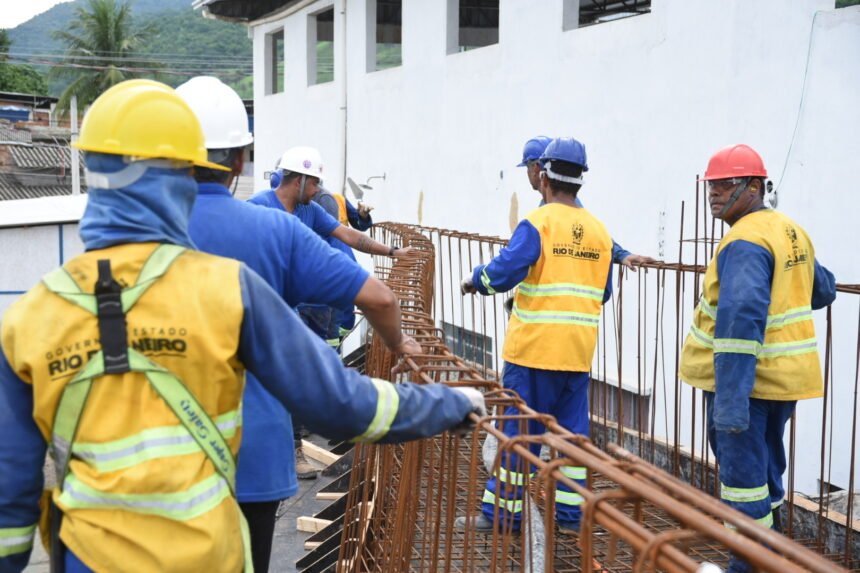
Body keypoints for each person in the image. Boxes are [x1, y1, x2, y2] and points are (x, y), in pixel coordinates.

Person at [0, 79, 485, 573]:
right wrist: (450, 403)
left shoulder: (31, 317)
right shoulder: (227, 288)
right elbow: (342, 404)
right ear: (190, 170)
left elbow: (9, 488)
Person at [176, 77, 421, 570]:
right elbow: (376, 295)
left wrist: (392, 250)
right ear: (243, 162)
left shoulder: (149, 230)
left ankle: (298, 444)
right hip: (253, 440)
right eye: (316, 182)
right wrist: (400, 341)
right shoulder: (268, 221)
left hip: (171, 452)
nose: (322, 191)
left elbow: (347, 234)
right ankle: (297, 446)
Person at [679, 144, 835, 573]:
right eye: (711, 184)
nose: (714, 192)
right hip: (782, 381)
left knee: (744, 483)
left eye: (725, 183)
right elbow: (823, 289)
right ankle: (773, 554)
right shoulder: (789, 230)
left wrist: (730, 404)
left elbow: (738, 328)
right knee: (767, 472)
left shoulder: (745, 242)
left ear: (753, 187)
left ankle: (748, 565)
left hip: (746, 385)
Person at [458, 137, 614, 533]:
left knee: (518, 437)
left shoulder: (538, 223)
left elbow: (505, 271)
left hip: (532, 355)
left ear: (544, 177)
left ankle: (500, 517)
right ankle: (570, 516)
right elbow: (604, 291)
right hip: (577, 356)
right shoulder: (600, 232)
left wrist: (476, 280)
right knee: (572, 441)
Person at [518, 135, 653, 270]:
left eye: (527, 167)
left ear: (535, 168)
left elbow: (589, 234)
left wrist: (622, 254)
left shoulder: (546, 214)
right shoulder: (558, 204)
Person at [314, 185, 373, 345]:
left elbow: (360, 224)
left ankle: (335, 345)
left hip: (342, 262)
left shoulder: (338, 200)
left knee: (342, 320)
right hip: (326, 267)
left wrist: (363, 215)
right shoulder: (300, 205)